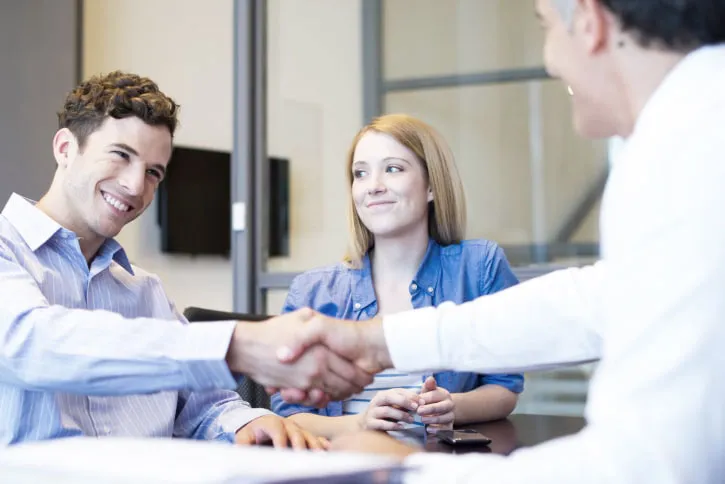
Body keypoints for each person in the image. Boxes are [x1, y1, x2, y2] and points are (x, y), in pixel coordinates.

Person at [272, 0, 725, 482]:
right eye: (361, 173)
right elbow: (597, 300)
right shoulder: (688, 129)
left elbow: (650, 462)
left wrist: (407, 471)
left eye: (546, 29)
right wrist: (380, 341)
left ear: (590, 24)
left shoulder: (691, 148)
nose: (550, 60)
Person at [0, 71, 374, 448]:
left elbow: (207, 408)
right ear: (65, 148)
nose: (135, 186)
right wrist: (236, 345)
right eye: (120, 155)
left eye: (153, 173)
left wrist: (251, 423)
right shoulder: (6, 248)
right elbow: (31, 344)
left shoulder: (145, 291)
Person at [270, 114, 523, 438]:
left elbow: (505, 389)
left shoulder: (479, 266)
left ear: (431, 186)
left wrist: (454, 406)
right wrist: (358, 424)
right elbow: (289, 415)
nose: (373, 186)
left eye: (393, 168)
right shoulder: (313, 290)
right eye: (360, 173)